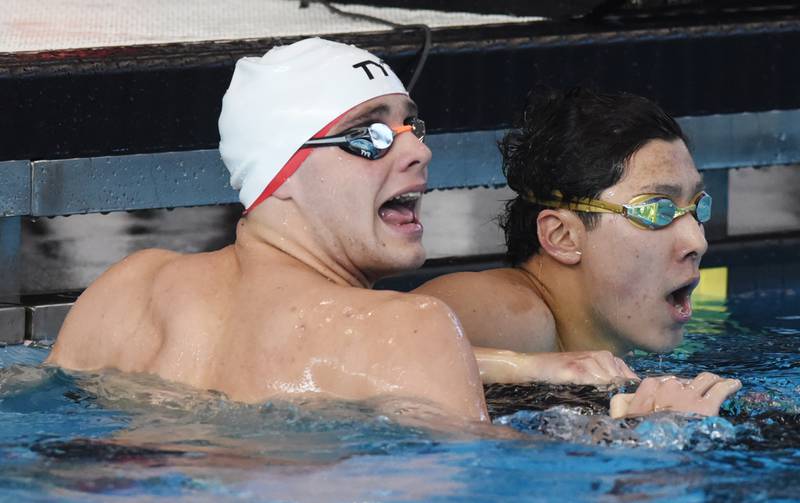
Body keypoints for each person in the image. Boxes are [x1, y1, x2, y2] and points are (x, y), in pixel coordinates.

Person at [46, 40, 737, 422]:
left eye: (413, 125)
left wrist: (524, 367)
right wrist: (642, 437)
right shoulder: (408, 330)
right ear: (280, 173)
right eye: (371, 135)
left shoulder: (121, 293)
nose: (417, 150)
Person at [415, 87, 722, 359]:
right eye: (656, 211)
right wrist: (518, 369)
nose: (697, 241)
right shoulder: (514, 314)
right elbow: (379, 346)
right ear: (562, 236)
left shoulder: (589, 345)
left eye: (697, 207)